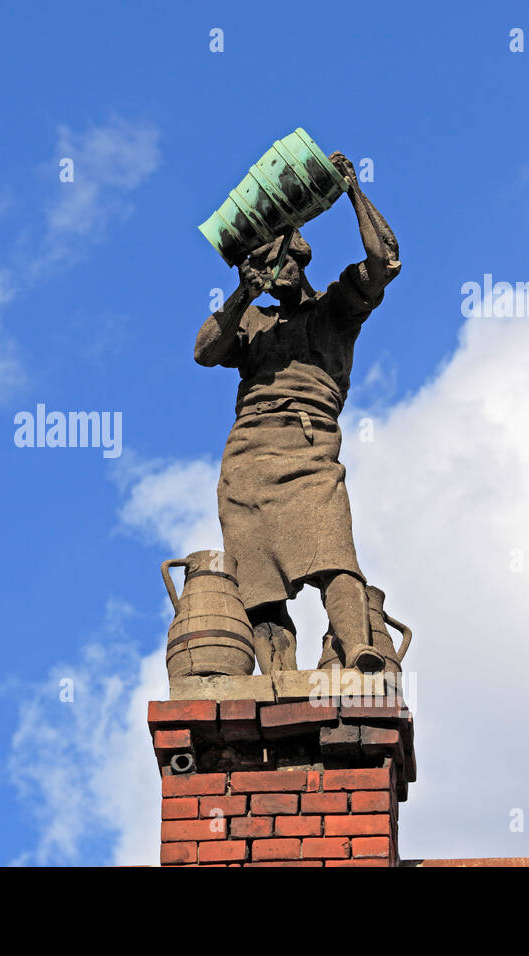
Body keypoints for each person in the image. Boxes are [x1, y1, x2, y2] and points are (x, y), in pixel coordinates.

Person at [193, 152, 400, 676]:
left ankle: (358, 650)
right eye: (256, 263)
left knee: (334, 554)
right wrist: (243, 292)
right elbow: (204, 350)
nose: (269, 270)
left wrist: (354, 192)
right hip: (248, 458)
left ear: (299, 258)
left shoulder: (335, 310)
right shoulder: (253, 321)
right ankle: (279, 677)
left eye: (274, 259)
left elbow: (385, 263)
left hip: (309, 450)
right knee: (257, 581)